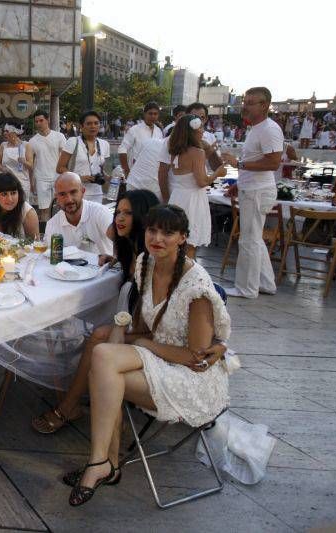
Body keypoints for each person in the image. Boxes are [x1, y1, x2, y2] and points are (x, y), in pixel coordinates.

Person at [67, 204, 231, 506]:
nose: (157, 238)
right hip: (157, 358)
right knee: (103, 351)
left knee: (103, 368)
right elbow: (145, 324)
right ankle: (103, 463)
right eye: (153, 230)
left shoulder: (196, 288)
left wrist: (145, 346)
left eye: (168, 233)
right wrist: (127, 334)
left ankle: (104, 463)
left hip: (191, 378)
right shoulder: (146, 263)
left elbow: (197, 359)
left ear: (182, 238)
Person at [31, 189, 161, 434]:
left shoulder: (152, 259)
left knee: (98, 336)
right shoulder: (132, 253)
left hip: (153, 337)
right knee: (94, 329)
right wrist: (115, 258)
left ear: (143, 217)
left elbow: (154, 321)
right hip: (131, 323)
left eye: (128, 213)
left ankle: (69, 407)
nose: (119, 218)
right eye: (118, 212)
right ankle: (86, 402)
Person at [221, 87, 283, 298]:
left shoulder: (269, 129)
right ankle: (266, 283)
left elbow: (273, 162)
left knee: (249, 240)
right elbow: (259, 161)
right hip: (252, 188)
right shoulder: (257, 128)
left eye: (250, 102)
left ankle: (246, 288)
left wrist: (238, 163)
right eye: (245, 102)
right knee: (254, 238)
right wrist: (239, 183)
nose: (244, 106)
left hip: (258, 192)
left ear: (264, 105)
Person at [159, 115, 227, 258]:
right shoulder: (197, 152)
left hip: (177, 197)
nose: (203, 131)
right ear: (193, 131)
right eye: (201, 127)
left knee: (175, 244)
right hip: (192, 200)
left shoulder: (174, 150)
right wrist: (217, 173)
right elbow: (201, 181)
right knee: (190, 246)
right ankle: (187, 277)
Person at [45, 172, 113, 262]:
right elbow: (50, 258)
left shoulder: (100, 213)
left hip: (104, 273)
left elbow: (120, 239)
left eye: (73, 192)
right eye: (62, 194)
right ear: (56, 197)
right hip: (67, 274)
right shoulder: (52, 224)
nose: (69, 199)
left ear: (83, 191)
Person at [56, 111, 111, 204]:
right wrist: (79, 178)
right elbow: (60, 168)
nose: (93, 126)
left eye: (96, 123)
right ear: (81, 126)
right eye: (89, 124)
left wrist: (112, 178)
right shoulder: (73, 142)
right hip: (76, 192)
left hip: (97, 193)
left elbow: (103, 170)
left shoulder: (104, 144)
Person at [0, 172, 39, 239]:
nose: (10, 199)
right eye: (4, 194)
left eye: (13, 193)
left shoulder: (27, 213)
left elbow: (35, 245)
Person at [28, 110, 65, 220]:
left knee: (61, 207)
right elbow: (31, 164)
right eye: (36, 121)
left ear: (47, 120)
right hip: (41, 178)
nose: (39, 123)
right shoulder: (32, 141)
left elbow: (65, 158)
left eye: (41, 120)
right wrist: (31, 182)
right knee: (44, 210)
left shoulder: (59, 136)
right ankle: (46, 234)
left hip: (58, 177)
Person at [118, 102, 163, 176]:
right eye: (150, 113)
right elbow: (122, 149)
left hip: (152, 174)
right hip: (135, 173)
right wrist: (126, 170)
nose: (153, 116)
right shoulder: (134, 130)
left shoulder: (159, 131)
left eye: (155, 114)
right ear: (144, 114)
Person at [0, 123, 33, 199]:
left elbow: (31, 166)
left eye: (7, 131)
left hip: (23, 182)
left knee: (23, 205)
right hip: (8, 181)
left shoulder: (26, 145)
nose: (5, 133)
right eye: (4, 131)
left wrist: (24, 162)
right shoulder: (3, 145)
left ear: (15, 132)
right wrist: (4, 169)